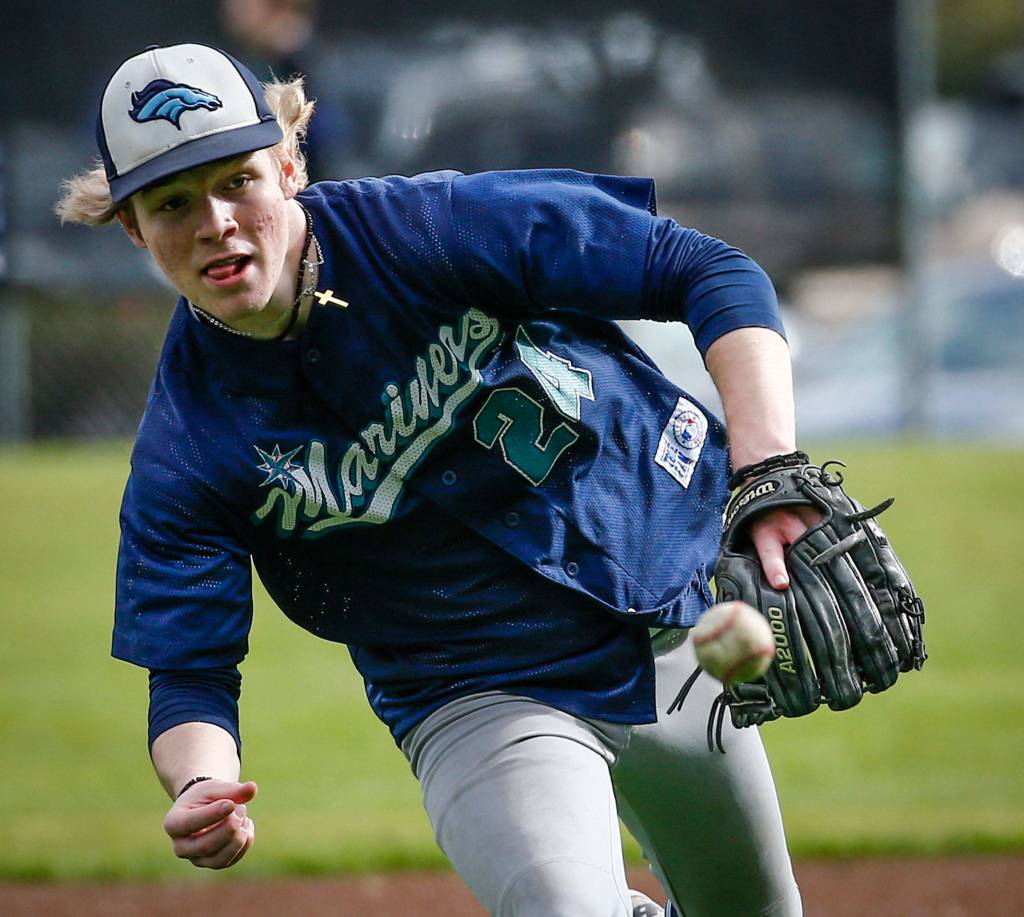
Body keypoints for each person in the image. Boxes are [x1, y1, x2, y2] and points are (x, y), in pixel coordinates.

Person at [59, 43, 809, 916]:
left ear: (291, 166)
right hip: (474, 693)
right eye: (173, 201)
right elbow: (189, 672)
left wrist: (770, 470)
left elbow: (706, 271)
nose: (216, 221)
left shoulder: (426, 229)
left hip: (667, 611)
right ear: (132, 227)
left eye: (239, 181)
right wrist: (200, 781)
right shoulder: (187, 444)